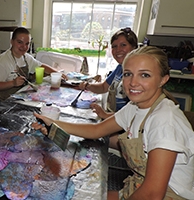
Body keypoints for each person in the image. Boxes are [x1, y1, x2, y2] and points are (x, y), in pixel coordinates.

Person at [33, 46, 194, 200]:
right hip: (138, 187)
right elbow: (97, 130)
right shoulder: (135, 107)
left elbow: (153, 194)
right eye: (128, 74)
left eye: (144, 75)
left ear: (163, 79)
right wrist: (53, 124)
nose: (133, 83)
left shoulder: (164, 121)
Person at [0, 27, 67, 101]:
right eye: (20, 42)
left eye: (27, 43)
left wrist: (57, 73)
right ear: (12, 41)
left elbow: (41, 66)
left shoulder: (26, 57)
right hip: (1, 100)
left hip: (18, 95)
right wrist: (13, 83)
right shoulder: (3, 61)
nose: (24, 47)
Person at [79, 27, 138, 120]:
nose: (118, 50)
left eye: (123, 45)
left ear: (134, 48)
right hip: (114, 119)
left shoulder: (137, 74)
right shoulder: (120, 68)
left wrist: (105, 115)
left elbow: (133, 114)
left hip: (124, 127)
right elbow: (103, 87)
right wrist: (88, 86)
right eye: (114, 46)